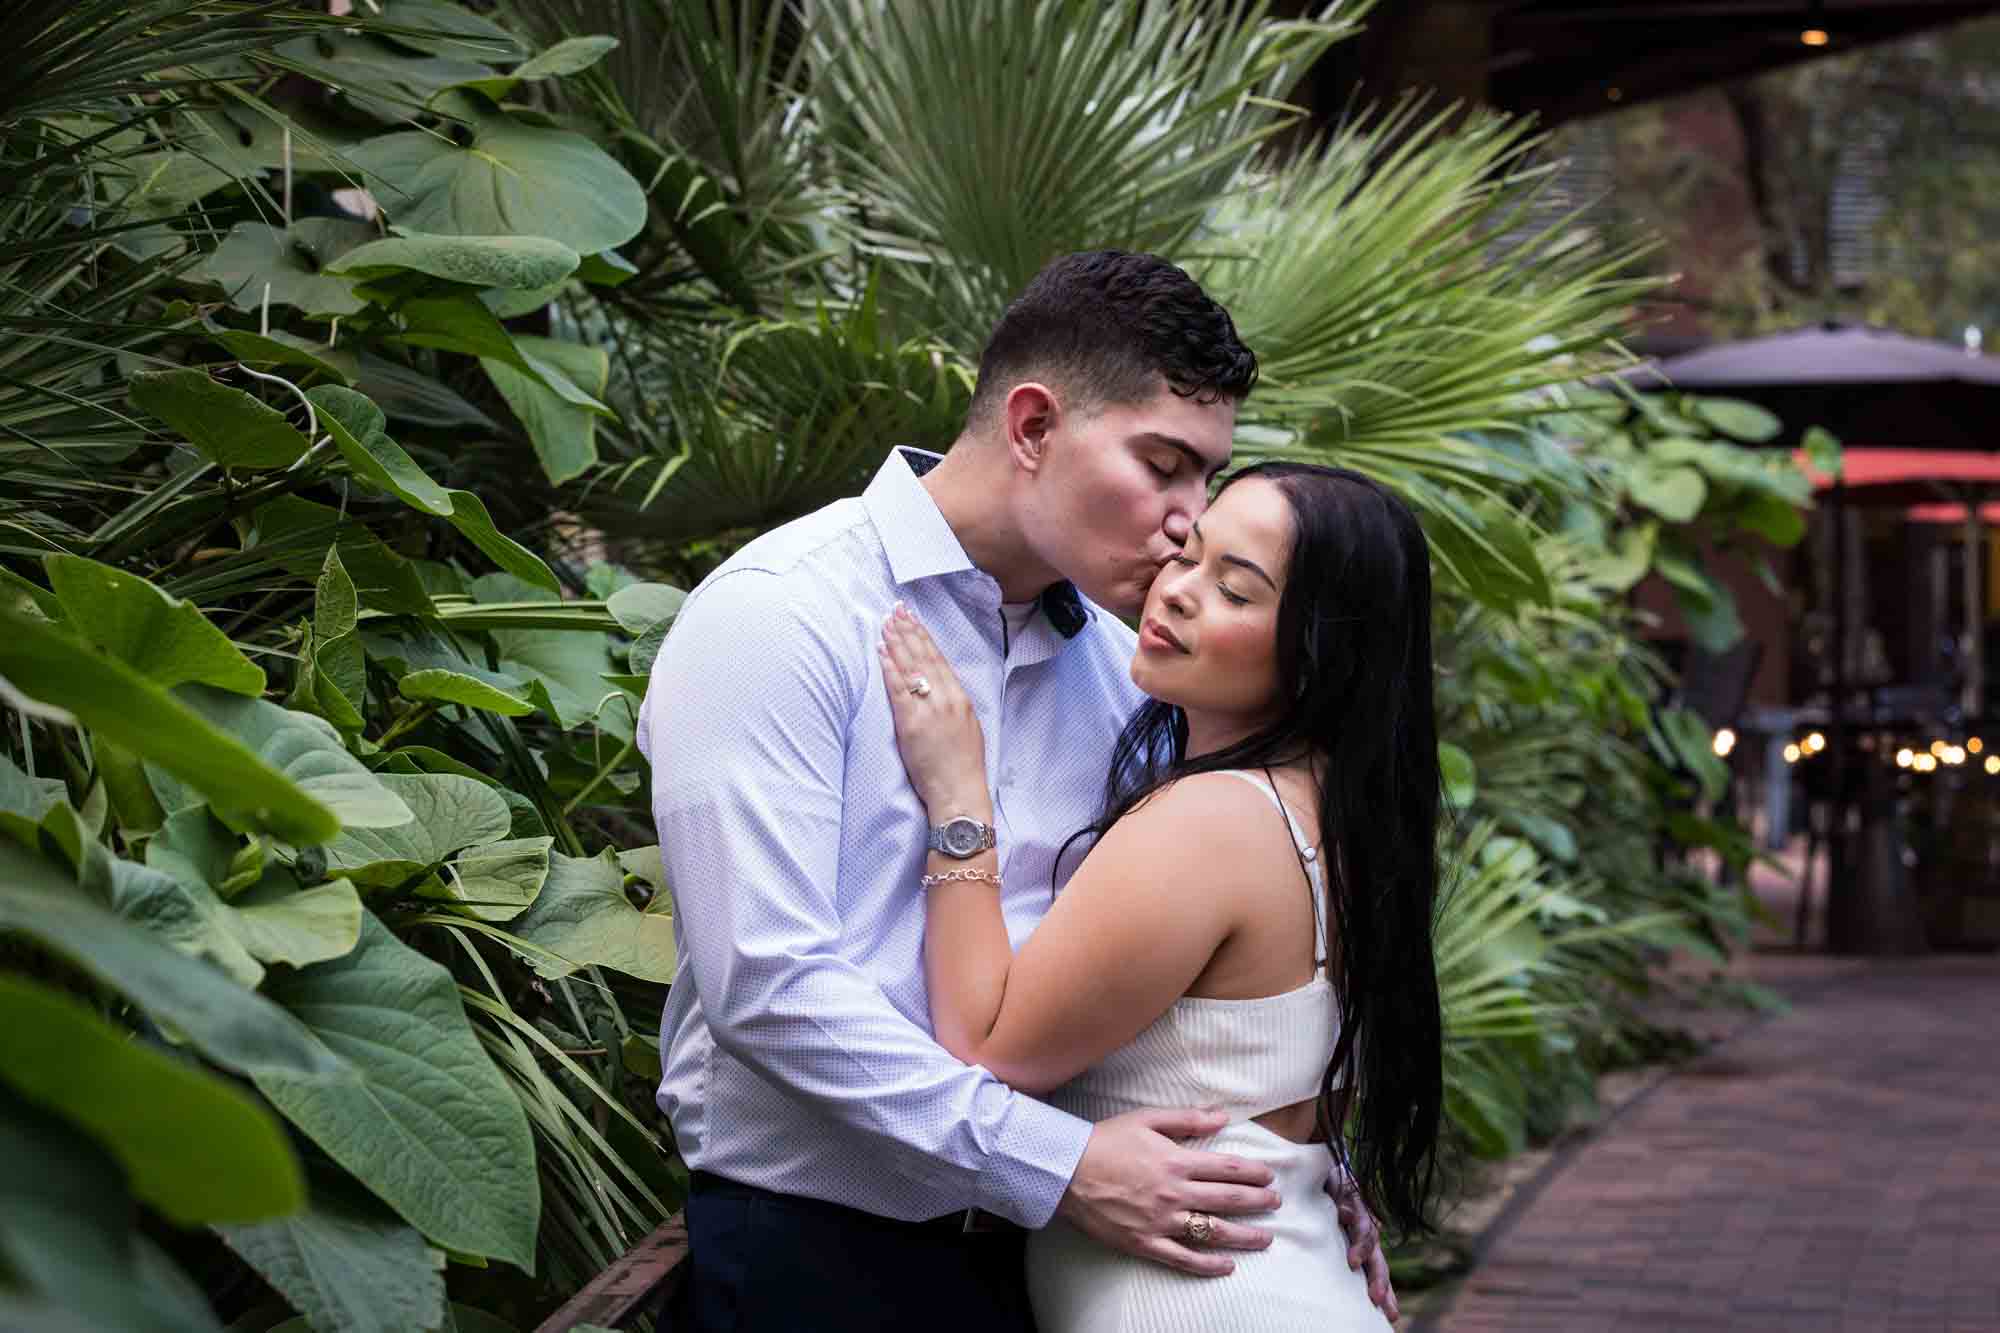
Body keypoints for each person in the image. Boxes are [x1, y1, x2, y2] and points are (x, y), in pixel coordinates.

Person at [639, 251, 1398, 1331]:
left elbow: (1187, 968)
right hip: (822, 1261)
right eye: (1163, 465)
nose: (1190, 521)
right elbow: (766, 982)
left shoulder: (1127, 667)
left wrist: (1287, 1170)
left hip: (1070, 1260)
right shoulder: (779, 615)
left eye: (1205, 480)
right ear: (1034, 426)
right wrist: (1059, 1164)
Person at [874, 461, 1444, 1330]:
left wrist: (960, 801)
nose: (1176, 591)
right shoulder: (1333, 812)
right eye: (1191, 554)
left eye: (1235, 590)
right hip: (1287, 1276)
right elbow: (1272, 1092)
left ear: (1320, 652)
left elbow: (983, 1045)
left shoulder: (1209, 819)